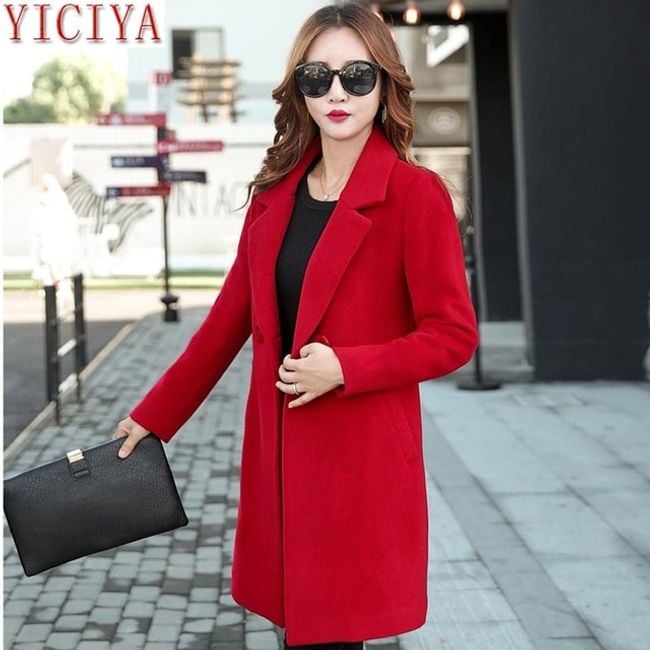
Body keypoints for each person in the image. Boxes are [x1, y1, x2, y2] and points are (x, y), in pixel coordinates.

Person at [113, 2, 479, 648]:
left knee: (334, 633)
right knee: (299, 631)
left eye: (356, 76)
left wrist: (347, 367)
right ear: (299, 89)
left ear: (385, 83)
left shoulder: (415, 195)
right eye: (317, 77)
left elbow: (453, 336)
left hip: (362, 466)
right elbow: (227, 321)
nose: (337, 93)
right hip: (280, 459)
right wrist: (155, 416)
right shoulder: (273, 195)